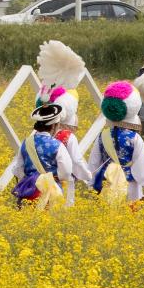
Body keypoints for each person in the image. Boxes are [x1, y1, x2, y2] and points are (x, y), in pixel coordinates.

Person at [34, 40, 93, 189]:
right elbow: (74, 164)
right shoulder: (66, 138)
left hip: (34, 186)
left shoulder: (31, 139)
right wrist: (89, 177)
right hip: (60, 186)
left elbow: (19, 166)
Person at [88, 81, 144, 206]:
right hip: (130, 184)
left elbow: (93, 162)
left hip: (106, 181)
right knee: (129, 212)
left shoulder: (102, 135)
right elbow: (141, 167)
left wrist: (91, 184)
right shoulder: (134, 138)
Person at [11, 103, 74, 209]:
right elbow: (66, 172)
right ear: (54, 125)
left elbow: (18, 169)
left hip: (29, 192)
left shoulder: (26, 143)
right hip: (51, 192)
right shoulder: (57, 145)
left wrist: (29, 178)